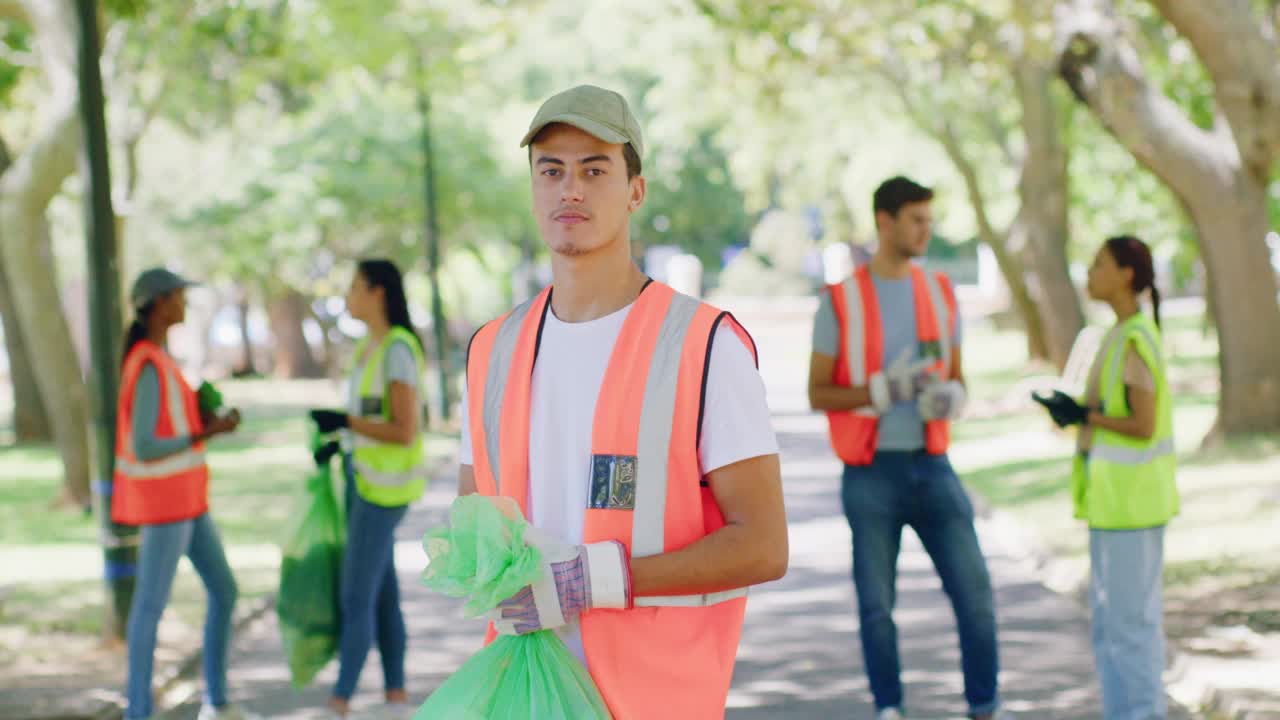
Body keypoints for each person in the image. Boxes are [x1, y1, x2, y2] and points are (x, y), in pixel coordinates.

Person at [456, 85, 788, 719]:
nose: (569, 189)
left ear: (636, 190)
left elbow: (765, 545)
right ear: (532, 188)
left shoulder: (705, 345)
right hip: (524, 696)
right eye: (550, 170)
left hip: (654, 700)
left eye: (594, 169)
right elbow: (476, 519)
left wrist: (591, 581)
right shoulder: (490, 352)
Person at [808, 177, 1010, 720]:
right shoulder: (840, 300)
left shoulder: (941, 292)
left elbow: (960, 377)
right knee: (877, 608)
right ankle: (889, 708)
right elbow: (817, 391)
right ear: (885, 222)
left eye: (929, 219)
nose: (926, 230)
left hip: (933, 463)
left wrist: (952, 396)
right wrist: (878, 391)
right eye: (916, 220)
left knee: (976, 599)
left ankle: (985, 706)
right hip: (870, 473)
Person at [1033, 235, 1177, 719]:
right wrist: (1077, 412)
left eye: (1099, 265)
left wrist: (1085, 417)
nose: (1090, 273)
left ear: (1127, 276)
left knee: (1131, 629)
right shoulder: (1115, 335)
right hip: (1112, 506)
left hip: (1133, 507)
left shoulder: (1135, 338)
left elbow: (1142, 423)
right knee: (1111, 629)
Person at [114, 268, 253, 720]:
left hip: (186, 501)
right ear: (157, 304)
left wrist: (207, 420)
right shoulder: (148, 362)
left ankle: (217, 702)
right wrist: (206, 430)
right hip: (166, 504)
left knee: (224, 590)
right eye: (177, 296)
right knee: (150, 608)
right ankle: (138, 711)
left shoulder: (159, 357)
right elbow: (146, 445)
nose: (183, 304)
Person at [309, 259, 427, 718]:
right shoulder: (368, 349)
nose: (349, 297)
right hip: (362, 482)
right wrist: (340, 439)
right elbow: (370, 422)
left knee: (356, 595)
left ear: (378, 293)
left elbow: (402, 430)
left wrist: (346, 421)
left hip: (384, 492)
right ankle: (395, 695)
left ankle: (338, 701)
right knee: (381, 593)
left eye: (355, 287)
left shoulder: (397, 349)